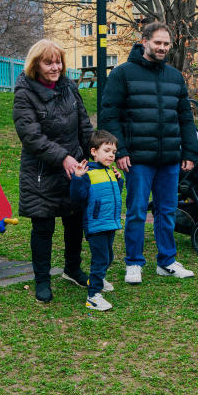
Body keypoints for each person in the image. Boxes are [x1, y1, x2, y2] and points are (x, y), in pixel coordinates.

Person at [100, 22, 198, 284]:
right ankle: (133, 263)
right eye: (158, 43)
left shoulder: (175, 77)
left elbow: (186, 118)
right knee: (136, 211)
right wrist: (119, 150)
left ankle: (166, 261)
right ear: (144, 42)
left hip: (169, 158)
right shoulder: (122, 74)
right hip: (137, 159)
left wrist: (189, 151)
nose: (163, 48)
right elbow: (109, 115)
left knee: (167, 210)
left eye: (167, 44)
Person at [13, 38, 93, 303]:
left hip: (73, 168)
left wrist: (93, 159)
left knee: (74, 221)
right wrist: (64, 159)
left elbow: (84, 126)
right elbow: (31, 137)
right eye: (49, 62)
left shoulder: (70, 87)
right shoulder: (25, 93)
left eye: (58, 61)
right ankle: (42, 280)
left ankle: (72, 269)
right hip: (41, 172)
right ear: (36, 65)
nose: (55, 67)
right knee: (43, 227)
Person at [70, 129, 123, 311]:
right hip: (96, 224)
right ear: (94, 151)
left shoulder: (109, 171)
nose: (111, 155)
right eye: (106, 150)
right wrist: (77, 179)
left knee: (108, 257)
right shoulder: (87, 173)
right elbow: (78, 198)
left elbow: (115, 195)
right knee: (100, 260)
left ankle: (97, 279)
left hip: (110, 222)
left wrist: (119, 181)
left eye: (114, 152)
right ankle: (93, 296)